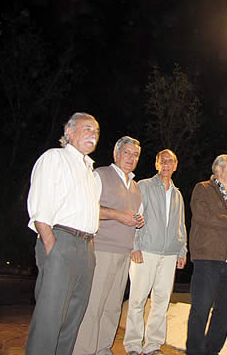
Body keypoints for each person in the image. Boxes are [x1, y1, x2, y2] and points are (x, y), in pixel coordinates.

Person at [26, 112, 100, 355]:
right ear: (69, 132)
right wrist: (52, 248)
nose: (93, 134)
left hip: (87, 248)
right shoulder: (54, 158)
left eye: (96, 131)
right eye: (87, 128)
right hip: (61, 243)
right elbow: (40, 209)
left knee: (72, 321)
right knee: (50, 319)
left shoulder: (90, 171)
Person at [73, 136, 145, 355]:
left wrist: (138, 221)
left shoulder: (135, 187)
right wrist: (117, 215)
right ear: (116, 154)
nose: (130, 158)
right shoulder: (100, 175)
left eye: (135, 155)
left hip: (124, 254)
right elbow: (86, 207)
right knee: (94, 305)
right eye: (126, 152)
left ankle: (103, 348)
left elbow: (135, 218)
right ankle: (85, 350)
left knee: (113, 307)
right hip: (101, 249)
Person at [186, 154, 227, 355]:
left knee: (226, 310)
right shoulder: (203, 189)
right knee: (201, 308)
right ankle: (195, 351)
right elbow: (203, 215)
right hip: (208, 259)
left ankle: (211, 351)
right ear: (219, 170)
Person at [123, 149, 187, 355]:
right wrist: (134, 246)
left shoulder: (177, 194)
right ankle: (133, 345)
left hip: (169, 255)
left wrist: (182, 250)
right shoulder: (144, 186)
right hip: (146, 251)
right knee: (137, 300)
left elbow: (181, 225)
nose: (166, 164)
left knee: (161, 301)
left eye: (170, 161)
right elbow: (134, 217)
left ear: (176, 166)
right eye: (163, 161)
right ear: (156, 164)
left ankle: (153, 345)